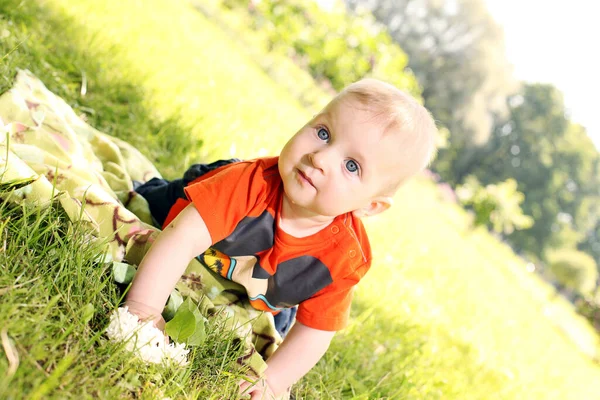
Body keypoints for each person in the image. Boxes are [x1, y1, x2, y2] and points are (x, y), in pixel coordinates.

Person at [124, 78, 437, 398]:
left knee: (280, 319)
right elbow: (180, 239)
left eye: (351, 165)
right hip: (201, 214)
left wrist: (271, 381)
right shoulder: (248, 184)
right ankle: (155, 187)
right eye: (324, 133)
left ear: (370, 206)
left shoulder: (344, 258)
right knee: (150, 203)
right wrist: (143, 309)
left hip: (267, 282)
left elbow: (316, 329)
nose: (320, 158)